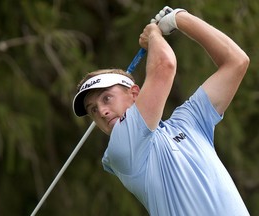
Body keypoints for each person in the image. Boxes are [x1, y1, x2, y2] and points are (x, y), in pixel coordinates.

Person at [72, 6, 250, 216]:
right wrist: (154, 35)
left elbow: (236, 62)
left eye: (106, 98)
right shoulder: (121, 149)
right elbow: (164, 66)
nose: (101, 111)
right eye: (92, 110)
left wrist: (178, 18)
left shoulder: (189, 121)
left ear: (135, 94)